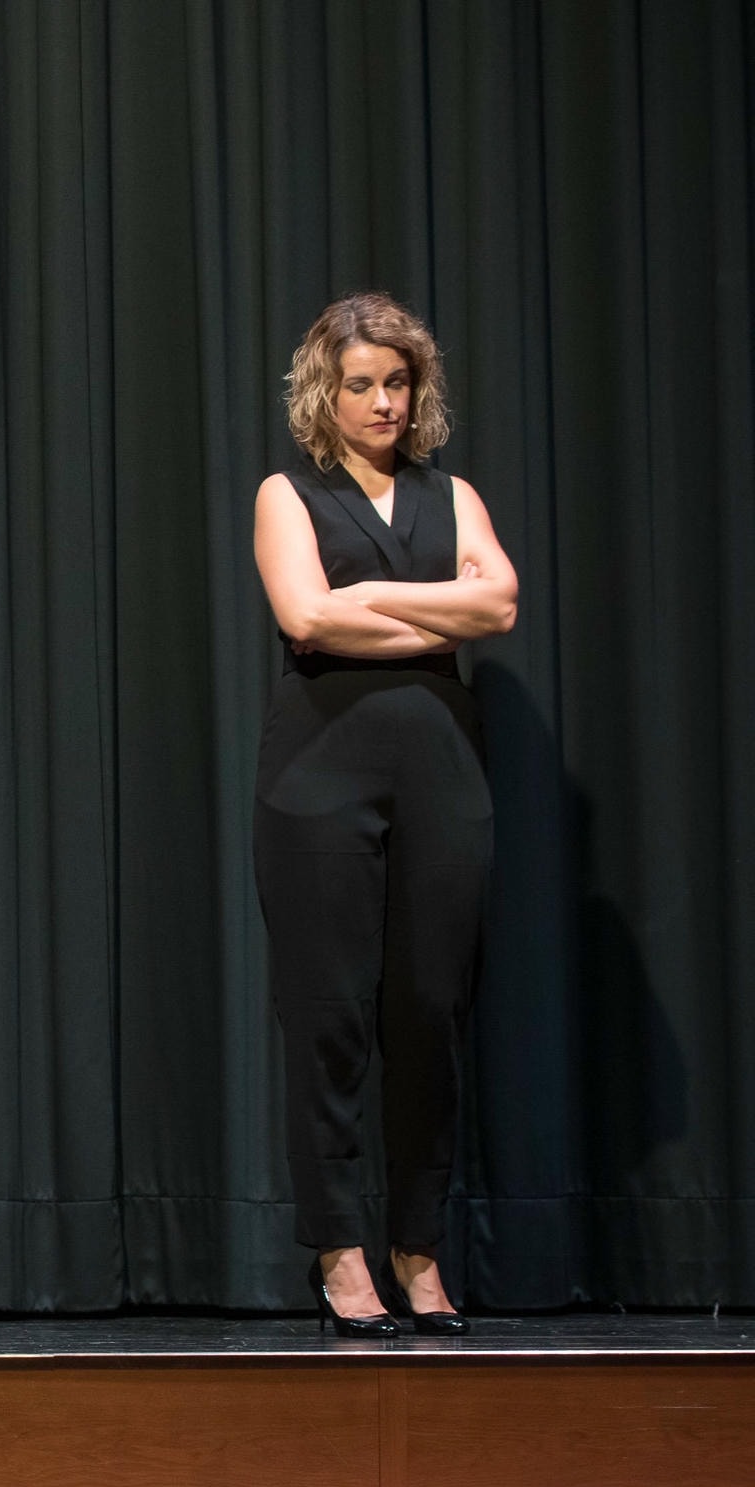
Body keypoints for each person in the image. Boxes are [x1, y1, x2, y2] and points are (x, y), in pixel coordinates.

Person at [252, 294, 519, 1337]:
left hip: (442, 774)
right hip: (318, 776)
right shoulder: (289, 494)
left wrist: (367, 605)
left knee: (429, 1011)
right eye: (360, 383)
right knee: (327, 1017)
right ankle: (339, 1250)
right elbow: (304, 614)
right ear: (326, 391)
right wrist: (436, 611)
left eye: (397, 383)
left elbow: (498, 605)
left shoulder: (453, 496)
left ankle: (418, 1247)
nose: (382, 403)